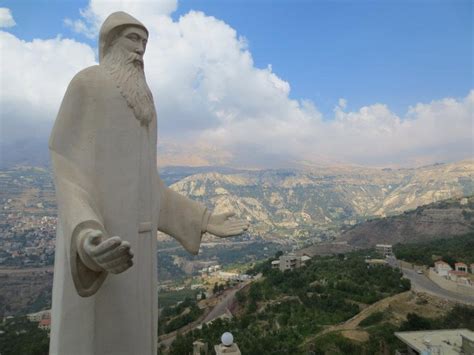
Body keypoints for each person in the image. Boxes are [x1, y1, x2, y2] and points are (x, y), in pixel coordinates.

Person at [48, 11, 248, 355]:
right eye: (132, 39)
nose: (140, 49)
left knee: (136, 336)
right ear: (110, 42)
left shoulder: (145, 103)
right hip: (101, 241)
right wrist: (86, 236)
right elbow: (66, 166)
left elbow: (147, 186)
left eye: (145, 42)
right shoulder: (87, 83)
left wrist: (202, 219)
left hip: (139, 250)